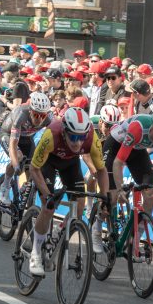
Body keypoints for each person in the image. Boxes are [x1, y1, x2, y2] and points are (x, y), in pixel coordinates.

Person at [27, 107, 110, 275]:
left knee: (78, 208)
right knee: (49, 207)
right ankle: (35, 253)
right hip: (48, 162)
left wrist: (105, 197)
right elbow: (33, 169)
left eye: (81, 137)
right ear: (64, 131)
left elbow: (101, 170)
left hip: (70, 163)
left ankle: (58, 231)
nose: (78, 142)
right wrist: (47, 195)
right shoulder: (51, 135)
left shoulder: (91, 138)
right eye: (73, 137)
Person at [103, 106, 153, 215]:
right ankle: (98, 221)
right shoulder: (138, 128)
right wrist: (120, 189)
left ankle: (141, 225)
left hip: (136, 148)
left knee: (151, 194)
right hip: (115, 146)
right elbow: (118, 162)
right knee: (113, 196)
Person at [0, 92, 53, 204]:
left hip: (27, 137)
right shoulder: (21, 114)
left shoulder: (49, 118)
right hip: (8, 134)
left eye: (42, 115)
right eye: (36, 115)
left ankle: (27, 193)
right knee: (18, 158)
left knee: (32, 166)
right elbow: (13, 144)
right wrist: (16, 165)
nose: (39, 119)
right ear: (30, 111)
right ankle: (5, 186)